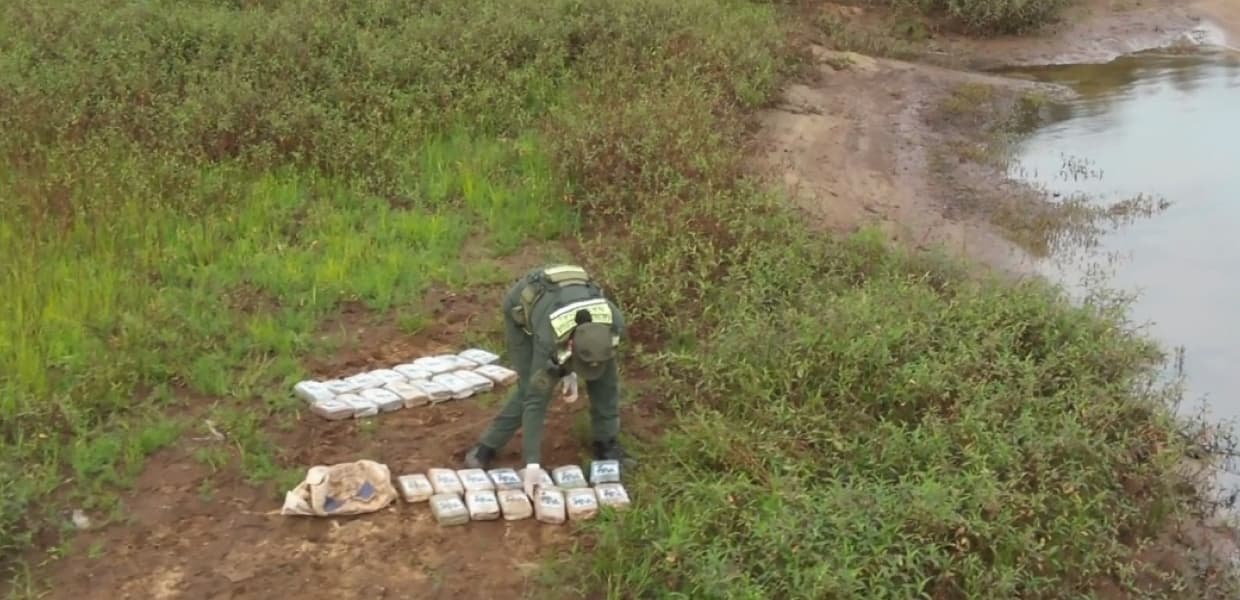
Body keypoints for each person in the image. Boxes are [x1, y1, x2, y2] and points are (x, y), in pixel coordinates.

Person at [463, 264, 634, 490]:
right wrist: (531, 462)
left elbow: (606, 380)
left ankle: (606, 444)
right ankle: (487, 446)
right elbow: (536, 399)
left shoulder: (614, 324)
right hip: (525, 307)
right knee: (528, 388)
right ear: (570, 344)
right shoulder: (550, 335)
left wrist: (572, 370)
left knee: (606, 382)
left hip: (571, 303)